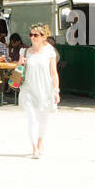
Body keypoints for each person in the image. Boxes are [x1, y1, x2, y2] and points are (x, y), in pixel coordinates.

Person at [19, 25, 61, 159]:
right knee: (31, 118)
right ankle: (34, 148)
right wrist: (20, 63)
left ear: (44, 37)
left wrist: (56, 90)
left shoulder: (50, 52)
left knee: (43, 119)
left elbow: (54, 73)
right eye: (30, 35)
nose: (32, 37)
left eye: (35, 35)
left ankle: (40, 142)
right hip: (28, 88)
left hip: (45, 89)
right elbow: (18, 70)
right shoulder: (24, 52)